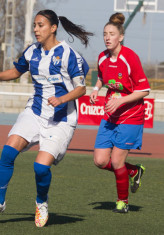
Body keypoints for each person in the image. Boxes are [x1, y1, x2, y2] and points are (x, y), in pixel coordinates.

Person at [0, 9, 93, 227]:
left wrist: (62, 99)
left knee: (40, 168)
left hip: (61, 119)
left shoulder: (69, 55)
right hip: (35, 111)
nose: (35, 29)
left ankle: (41, 203)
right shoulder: (32, 51)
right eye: (34, 25)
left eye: (40, 25)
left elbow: (81, 90)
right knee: (7, 152)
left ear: (53, 28)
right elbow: (16, 71)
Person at [90, 13, 150, 213]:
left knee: (116, 161)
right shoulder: (102, 57)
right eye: (105, 34)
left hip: (131, 115)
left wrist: (121, 100)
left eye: (112, 34)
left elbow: (144, 90)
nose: (107, 37)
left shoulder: (130, 57)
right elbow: (101, 76)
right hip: (110, 116)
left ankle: (122, 202)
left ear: (121, 37)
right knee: (100, 161)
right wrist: (96, 89)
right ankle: (134, 170)